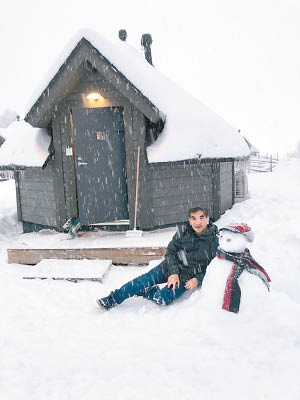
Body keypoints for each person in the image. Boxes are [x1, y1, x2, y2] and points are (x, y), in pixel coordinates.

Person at [96, 207, 219, 310]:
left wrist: (198, 280)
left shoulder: (216, 241)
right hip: (169, 267)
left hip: (186, 278)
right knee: (141, 281)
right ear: (189, 221)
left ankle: (149, 292)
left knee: (163, 299)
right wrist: (173, 272)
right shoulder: (183, 231)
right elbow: (171, 252)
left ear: (208, 219)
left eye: (201, 218)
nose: (198, 222)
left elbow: (214, 267)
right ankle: (112, 299)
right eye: (194, 218)